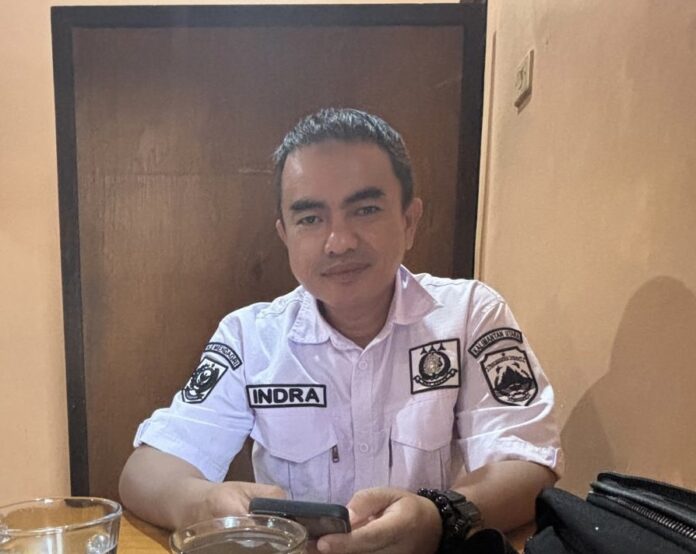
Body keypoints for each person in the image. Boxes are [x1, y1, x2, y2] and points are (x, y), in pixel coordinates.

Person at [119, 108, 563, 553]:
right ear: (285, 235)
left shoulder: (470, 315)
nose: (339, 242)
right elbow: (146, 471)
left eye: (365, 210)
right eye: (310, 219)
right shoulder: (249, 338)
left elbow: (528, 465)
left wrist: (438, 516)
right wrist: (202, 504)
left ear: (409, 221)